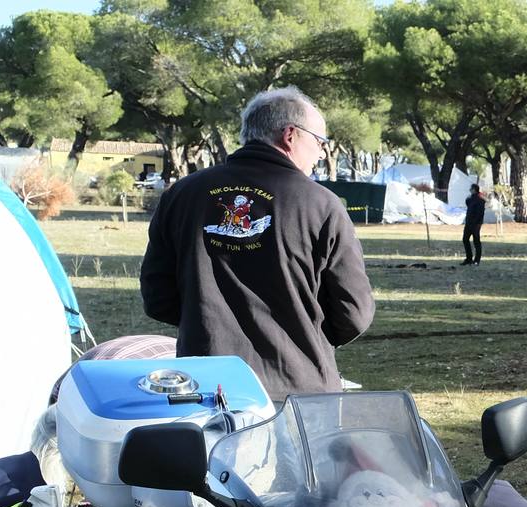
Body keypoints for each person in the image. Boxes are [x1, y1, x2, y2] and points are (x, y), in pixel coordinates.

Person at [140, 86, 374, 401]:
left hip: (207, 388)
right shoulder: (323, 205)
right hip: (299, 390)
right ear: (291, 135)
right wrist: (305, 335)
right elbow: (352, 313)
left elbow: (158, 297)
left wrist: (205, 324)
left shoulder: (182, 195)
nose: (321, 154)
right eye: (319, 142)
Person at [463, 184, 486, 266]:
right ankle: (468, 258)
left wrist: (477, 223)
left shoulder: (480, 200)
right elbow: (467, 202)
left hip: (476, 224)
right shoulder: (471, 199)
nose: (470, 190)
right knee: (465, 239)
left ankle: (477, 260)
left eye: (471, 189)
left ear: (474, 189)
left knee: (476, 241)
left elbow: (480, 213)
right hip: (468, 223)